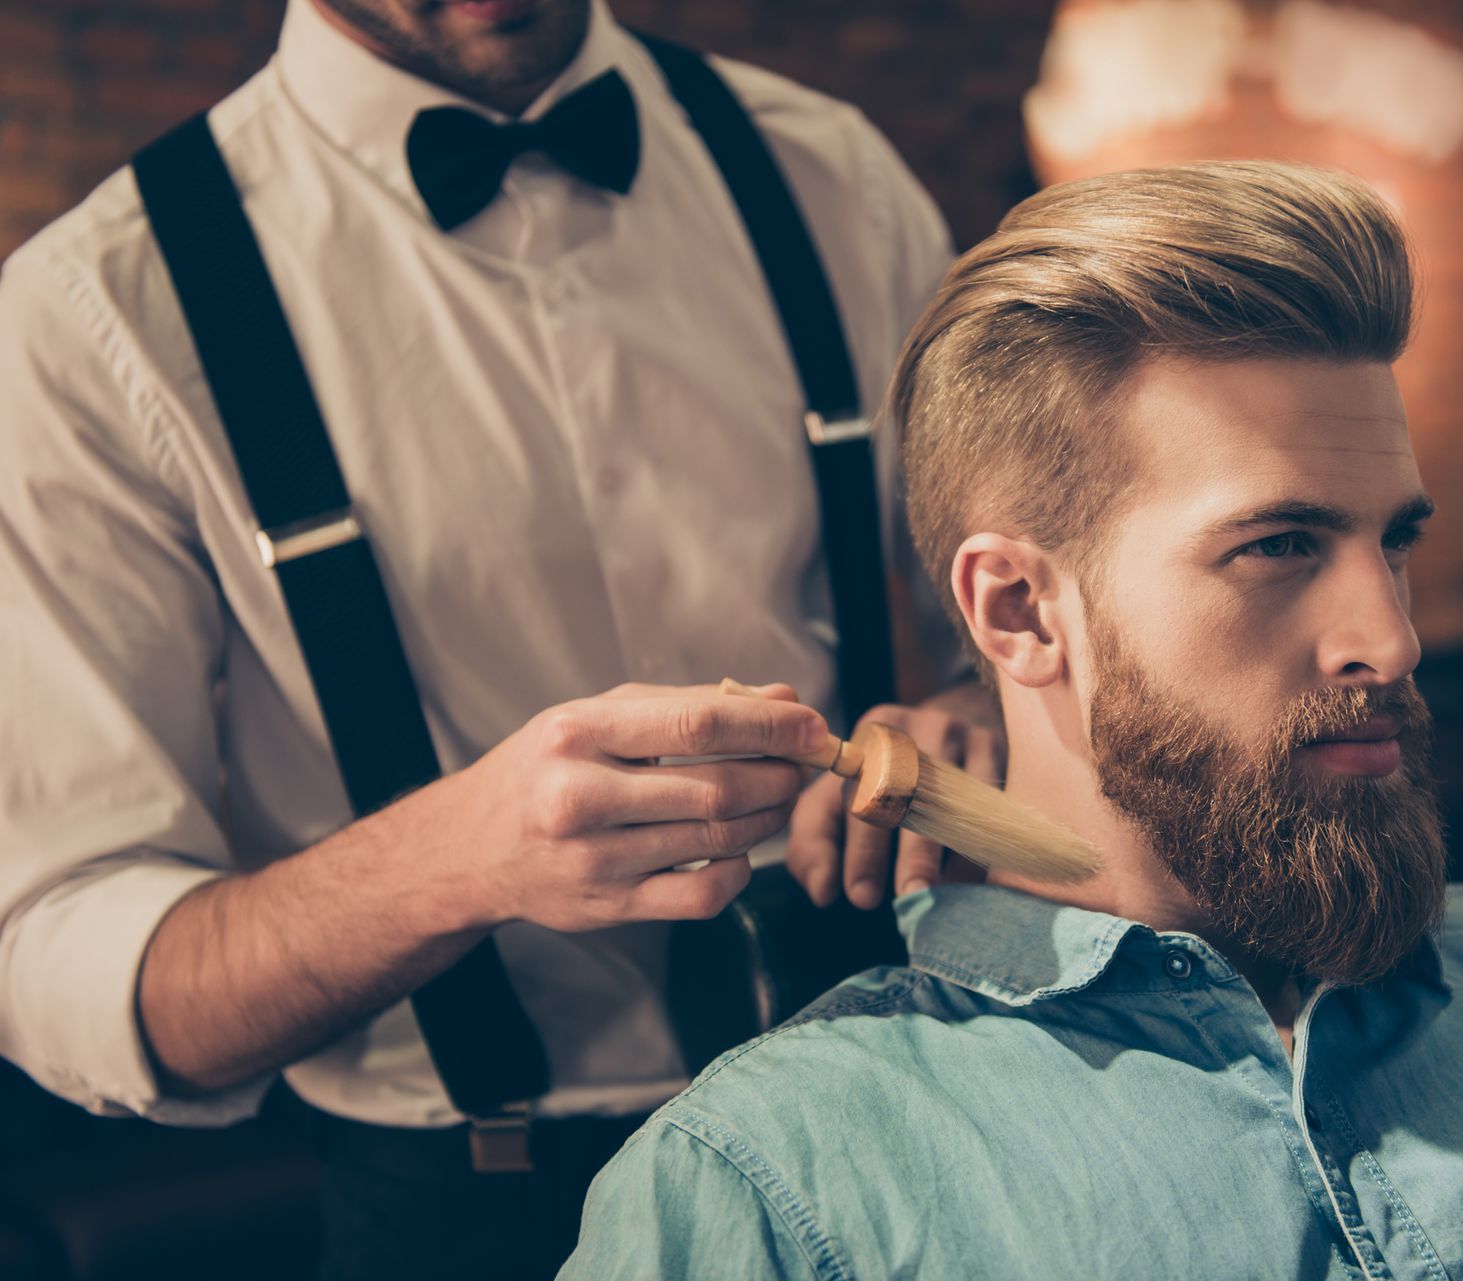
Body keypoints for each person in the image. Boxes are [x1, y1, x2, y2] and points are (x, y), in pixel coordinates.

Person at [562, 160, 1463, 1279]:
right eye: (1276, 545)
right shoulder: (769, 1187)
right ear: (1024, 612)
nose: (1391, 637)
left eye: (1396, 540)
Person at [0, 1, 992, 1276]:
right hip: (474, 1208)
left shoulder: (835, 174)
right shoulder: (88, 317)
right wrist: (452, 862)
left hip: (903, 1117)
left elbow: (1014, 618)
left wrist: (991, 701)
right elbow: (66, 952)